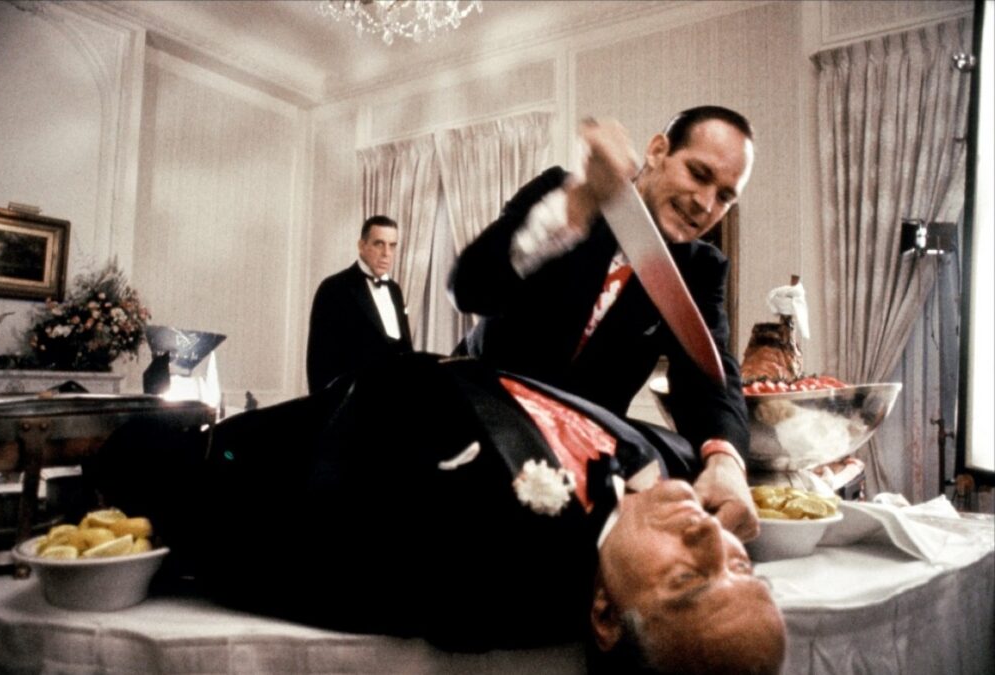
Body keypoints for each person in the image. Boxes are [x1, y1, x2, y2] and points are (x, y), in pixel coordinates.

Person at [87, 352, 785, 674]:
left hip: (198, 454)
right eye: (739, 566)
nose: (710, 535)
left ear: (604, 614)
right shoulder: (674, 474)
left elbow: (267, 541)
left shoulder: (481, 565)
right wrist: (721, 455)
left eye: (688, 579)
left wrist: (155, 484)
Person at [447, 107, 758, 542]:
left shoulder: (701, 269)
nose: (705, 204)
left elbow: (709, 379)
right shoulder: (561, 193)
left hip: (576, 464)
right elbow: (470, 288)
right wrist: (575, 206)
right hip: (477, 422)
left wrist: (725, 460)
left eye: (724, 196)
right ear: (658, 151)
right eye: (698, 173)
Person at [305, 214, 413, 392]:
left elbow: (406, 350)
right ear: (362, 246)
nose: (386, 253)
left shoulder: (395, 290)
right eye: (379, 244)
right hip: (353, 402)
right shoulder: (334, 288)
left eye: (392, 245)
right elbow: (319, 362)